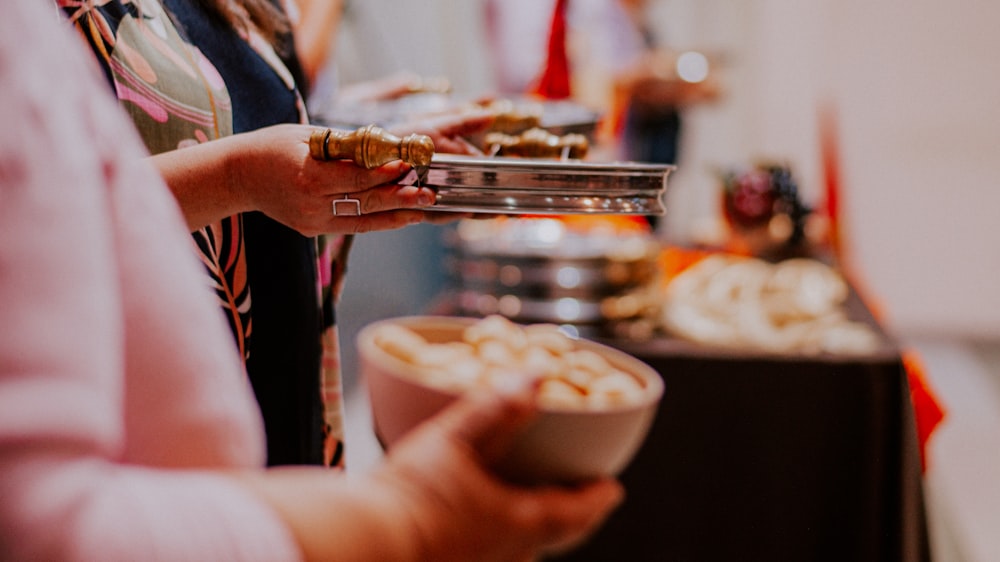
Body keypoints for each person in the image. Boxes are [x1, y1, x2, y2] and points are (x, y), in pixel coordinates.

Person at [0, 1, 623, 559]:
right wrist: (410, 520)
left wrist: (360, 136)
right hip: (155, 500)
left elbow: (211, 118)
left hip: (274, 409)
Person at [56, 0, 491, 468]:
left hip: (276, 392)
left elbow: (236, 120)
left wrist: (374, 152)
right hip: (145, 433)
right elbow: (38, 217)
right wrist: (236, 179)